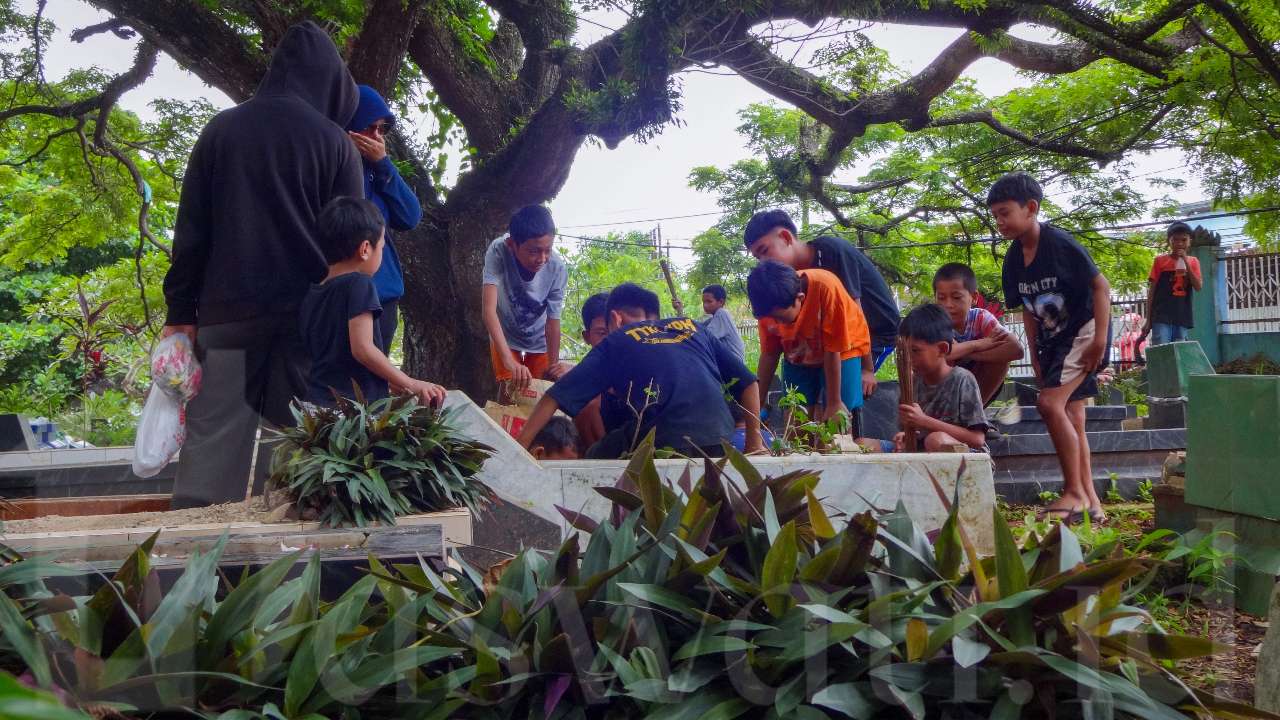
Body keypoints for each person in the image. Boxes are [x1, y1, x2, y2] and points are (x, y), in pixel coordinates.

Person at [161, 22, 364, 509]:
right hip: (305, 324)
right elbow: (352, 243)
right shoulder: (336, 144)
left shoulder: (221, 130)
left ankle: (192, 574)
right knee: (298, 451)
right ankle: (287, 577)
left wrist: (180, 315)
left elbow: (191, 232)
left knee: (211, 451)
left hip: (227, 319)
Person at [516, 283, 764, 458]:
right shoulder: (692, 327)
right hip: (720, 437)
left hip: (665, 441)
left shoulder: (619, 338)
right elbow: (749, 382)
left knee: (595, 455)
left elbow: (554, 397)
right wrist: (754, 442)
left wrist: (519, 449)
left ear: (616, 318)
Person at [991, 172, 1110, 524]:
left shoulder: (1060, 244)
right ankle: (1091, 504)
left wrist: (1101, 340)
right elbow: (1027, 312)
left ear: (1031, 208)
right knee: (1072, 417)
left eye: (1005, 213)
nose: (999, 222)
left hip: (1084, 332)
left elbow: (1101, 288)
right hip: (1053, 342)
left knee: (1049, 404)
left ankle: (1073, 492)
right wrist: (1036, 357)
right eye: (995, 215)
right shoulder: (1013, 259)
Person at [299, 197, 446, 407]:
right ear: (365, 249)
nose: (382, 252)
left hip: (316, 405)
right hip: (350, 412)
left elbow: (336, 358)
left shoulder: (314, 292)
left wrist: (386, 380)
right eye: (382, 247)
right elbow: (363, 349)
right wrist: (410, 382)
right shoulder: (359, 284)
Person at [743, 209, 899, 398]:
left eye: (764, 251)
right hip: (832, 338)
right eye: (758, 258)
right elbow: (771, 351)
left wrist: (867, 370)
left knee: (840, 393)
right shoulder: (788, 280)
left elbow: (855, 310)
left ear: (785, 237)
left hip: (874, 332)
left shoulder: (832, 251)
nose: (763, 262)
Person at [747, 260, 870, 429]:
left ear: (800, 299)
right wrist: (757, 404)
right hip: (798, 351)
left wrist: (834, 402)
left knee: (837, 422)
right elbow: (769, 354)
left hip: (842, 350)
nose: (776, 323)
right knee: (795, 422)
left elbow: (833, 349)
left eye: (781, 318)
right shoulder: (767, 305)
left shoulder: (825, 287)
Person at [345, 85, 422, 353]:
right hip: (347, 297)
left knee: (374, 390)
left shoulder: (379, 171)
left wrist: (384, 165)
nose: (375, 136)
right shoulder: (334, 165)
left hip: (384, 296)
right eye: (369, 127)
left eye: (382, 129)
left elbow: (410, 216)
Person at [856, 305, 992, 453]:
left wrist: (924, 421)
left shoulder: (962, 380)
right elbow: (912, 432)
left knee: (935, 440)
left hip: (969, 459)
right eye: (905, 351)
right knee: (862, 445)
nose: (909, 358)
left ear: (942, 349)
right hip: (922, 452)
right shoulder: (911, 383)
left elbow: (977, 439)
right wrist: (905, 437)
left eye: (915, 351)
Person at [481, 205, 570, 391]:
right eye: (533, 251)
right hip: (506, 335)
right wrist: (508, 361)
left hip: (539, 340)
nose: (542, 258)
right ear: (512, 244)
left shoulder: (557, 268)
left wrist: (554, 367)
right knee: (509, 389)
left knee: (540, 392)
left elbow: (553, 322)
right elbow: (488, 310)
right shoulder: (498, 250)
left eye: (548, 250)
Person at [933, 263, 1024, 404]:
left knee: (1001, 358)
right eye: (941, 298)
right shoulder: (935, 322)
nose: (948, 304)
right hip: (939, 390)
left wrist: (966, 351)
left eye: (956, 297)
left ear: (974, 297)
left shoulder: (981, 317)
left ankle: (976, 412)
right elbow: (945, 354)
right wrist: (980, 344)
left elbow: (1016, 350)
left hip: (978, 386)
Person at [1142, 222, 1203, 346]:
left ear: (1189, 241)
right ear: (1169, 241)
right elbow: (1151, 292)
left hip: (1182, 316)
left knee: (1180, 352)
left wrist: (1185, 261)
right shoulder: (1159, 261)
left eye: (1184, 240)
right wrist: (1148, 320)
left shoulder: (1193, 261)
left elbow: (1198, 287)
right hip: (1161, 316)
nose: (1179, 243)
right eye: (1175, 239)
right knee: (1161, 350)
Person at [571, 292, 611, 452]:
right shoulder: (585, 372)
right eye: (601, 333)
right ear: (587, 337)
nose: (610, 339)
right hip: (603, 456)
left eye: (615, 331)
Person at [698, 284, 746, 363]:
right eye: (704, 302)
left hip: (734, 362)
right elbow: (694, 329)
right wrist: (679, 310)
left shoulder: (722, 314)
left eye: (709, 301)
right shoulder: (712, 319)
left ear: (721, 302)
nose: (705, 305)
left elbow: (703, 337)